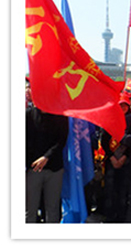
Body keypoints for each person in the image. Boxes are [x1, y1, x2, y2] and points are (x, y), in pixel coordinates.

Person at [26, 82, 69, 222]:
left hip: (54, 168)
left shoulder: (60, 116)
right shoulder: (28, 115)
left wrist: (46, 157)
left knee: (52, 208)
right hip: (33, 168)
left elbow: (61, 141)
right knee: (30, 209)